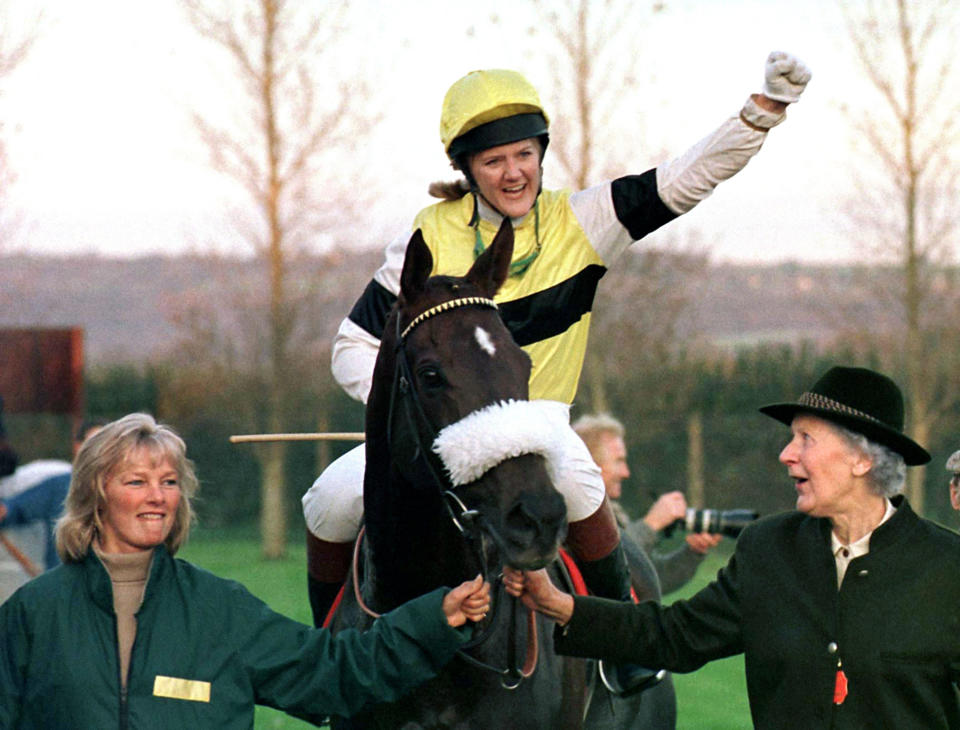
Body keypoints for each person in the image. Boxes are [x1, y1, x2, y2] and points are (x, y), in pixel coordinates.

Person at [301, 52, 812, 689]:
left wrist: (761, 114)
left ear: (542, 152)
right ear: (466, 167)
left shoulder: (586, 219)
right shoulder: (425, 239)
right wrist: (419, 404)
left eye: (523, 154)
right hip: (440, 429)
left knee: (581, 487)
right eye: (493, 160)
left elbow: (688, 178)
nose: (512, 173)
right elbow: (351, 345)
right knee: (329, 500)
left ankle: (625, 644)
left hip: (539, 423)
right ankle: (328, 655)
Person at [505, 366, 960, 729]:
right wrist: (561, 605)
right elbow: (675, 636)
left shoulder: (947, 569)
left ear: (863, 459)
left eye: (806, 438)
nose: (787, 454)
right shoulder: (768, 550)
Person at [0, 413, 490, 728]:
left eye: (169, 481)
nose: (158, 496)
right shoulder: (34, 613)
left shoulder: (219, 609)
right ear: (96, 494)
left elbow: (334, 673)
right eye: (137, 481)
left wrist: (432, 620)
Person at [573, 413, 721, 595]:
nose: (626, 473)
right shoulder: (575, 519)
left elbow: (647, 579)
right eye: (619, 461)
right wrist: (652, 524)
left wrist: (692, 553)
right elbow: (610, 565)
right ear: (590, 463)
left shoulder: (613, 512)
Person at [0, 418, 105, 577]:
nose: (98, 453)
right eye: (92, 444)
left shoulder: (128, 492)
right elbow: (14, 509)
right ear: (77, 446)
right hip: (62, 589)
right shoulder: (60, 486)